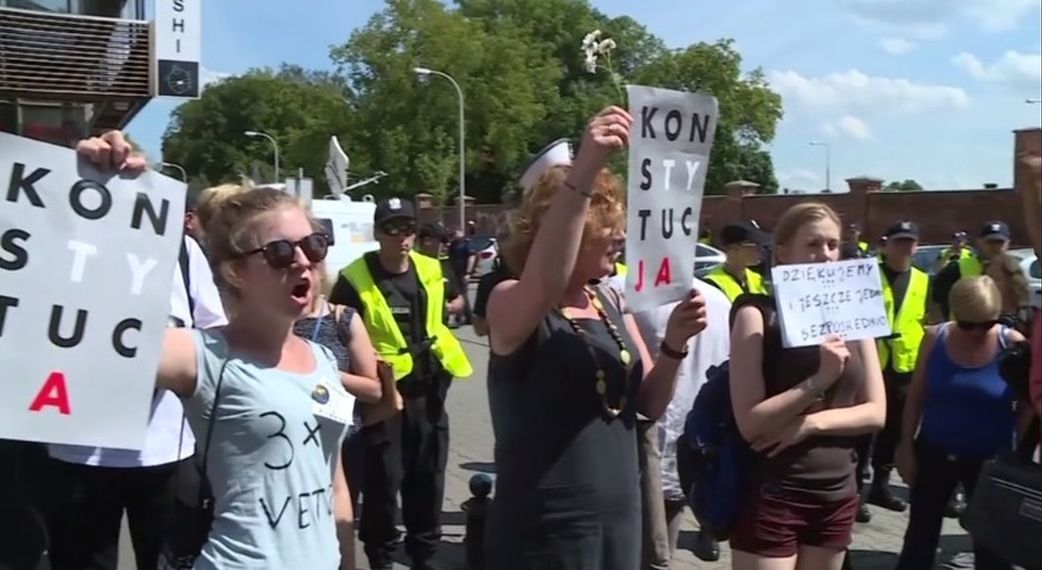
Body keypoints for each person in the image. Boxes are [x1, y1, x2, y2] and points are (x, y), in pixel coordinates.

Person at [74, 145, 365, 567]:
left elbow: (334, 488)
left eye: (314, 245)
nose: (303, 262)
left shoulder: (322, 357)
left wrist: (348, 561)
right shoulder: (203, 353)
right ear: (235, 272)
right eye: (281, 252)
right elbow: (83, 334)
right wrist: (106, 190)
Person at [483, 107, 708, 569]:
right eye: (607, 226)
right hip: (546, 530)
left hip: (618, 518)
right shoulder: (512, 299)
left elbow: (647, 404)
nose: (621, 237)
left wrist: (674, 346)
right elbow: (546, 283)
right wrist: (586, 166)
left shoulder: (606, 302)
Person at [40, 132, 227, 570]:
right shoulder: (55, 236)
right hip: (76, 450)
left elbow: (214, 336)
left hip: (166, 453)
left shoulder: (181, 249)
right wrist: (66, 173)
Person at [728, 202, 886, 570]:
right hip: (774, 491)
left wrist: (811, 424)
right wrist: (820, 380)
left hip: (838, 493)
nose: (825, 256)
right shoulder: (757, 315)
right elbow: (751, 422)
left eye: (832, 245)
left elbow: (876, 411)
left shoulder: (855, 313)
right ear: (782, 252)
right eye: (813, 245)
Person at [328, 198, 473, 570]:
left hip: (430, 391)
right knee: (383, 482)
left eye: (408, 228)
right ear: (377, 233)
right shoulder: (355, 278)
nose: (402, 237)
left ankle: (424, 554)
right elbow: (334, 334)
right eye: (392, 229)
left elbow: (454, 300)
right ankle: (381, 557)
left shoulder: (431, 269)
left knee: (429, 477)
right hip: (384, 397)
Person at [895, 276, 1026, 570]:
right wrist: (905, 447)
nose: (978, 332)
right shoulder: (934, 339)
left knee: (992, 548)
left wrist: (1019, 457)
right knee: (919, 537)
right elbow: (916, 397)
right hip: (934, 452)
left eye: (987, 323)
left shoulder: (1013, 345)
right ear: (955, 314)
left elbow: (1030, 406)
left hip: (990, 460)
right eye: (969, 324)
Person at [293, 258, 396, 570]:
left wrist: (322, 373)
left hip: (342, 444)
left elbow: (375, 390)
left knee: (337, 528)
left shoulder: (342, 319)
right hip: (291, 443)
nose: (304, 274)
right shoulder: (275, 324)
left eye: (312, 267)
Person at [633, 278, 731, 566]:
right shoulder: (719, 300)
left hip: (651, 452)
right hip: (676, 452)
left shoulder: (625, 294)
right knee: (659, 554)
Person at [864, 221, 929, 516]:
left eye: (910, 242)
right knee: (864, 429)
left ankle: (880, 484)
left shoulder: (923, 279)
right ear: (885, 244)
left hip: (904, 364)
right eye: (899, 241)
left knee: (895, 428)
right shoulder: (867, 275)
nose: (905, 247)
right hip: (870, 363)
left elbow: (927, 320)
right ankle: (854, 490)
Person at [932, 221, 1011, 320]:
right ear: (980, 243)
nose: (994, 247)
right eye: (989, 242)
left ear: (1008, 244)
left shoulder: (1013, 271)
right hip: (963, 330)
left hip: (999, 331)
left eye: (999, 242)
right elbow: (936, 300)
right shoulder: (957, 268)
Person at [703, 222, 769, 302]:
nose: (760, 250)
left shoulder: (757, 278)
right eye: (754, 245)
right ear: (733, 249)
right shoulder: (712, 283)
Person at [986, 253, 1035, 334]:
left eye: (994, 278)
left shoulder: (1033, 318)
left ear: (1012, 281)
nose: (988, 283)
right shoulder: (983, 319)